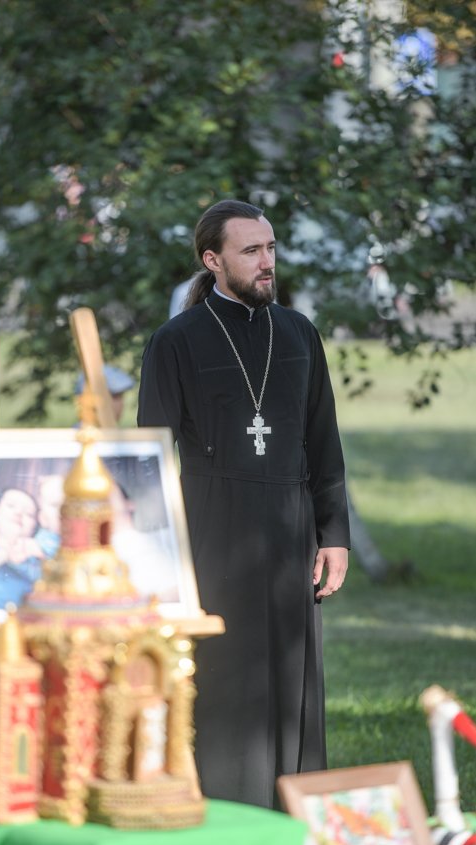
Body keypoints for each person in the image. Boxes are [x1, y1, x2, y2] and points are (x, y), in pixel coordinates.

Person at [137, 199, 350, 809]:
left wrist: (333, 534)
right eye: (251, 251)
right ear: (213, 260)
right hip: (212, 526)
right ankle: (223, 812)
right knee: (224, 676)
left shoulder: (299, 333)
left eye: (271, 248)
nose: (266, 262)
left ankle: (290, 813)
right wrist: (153, 553)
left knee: (290, 677)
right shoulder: (175, 341)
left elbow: (323, 440)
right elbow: (150, 454)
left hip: (290, 526)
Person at [0, 487, 44, 610]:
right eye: (11, 506)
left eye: (28, 514)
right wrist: (6, 553)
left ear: (33, 529)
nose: (19, 513)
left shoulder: (41, 563)